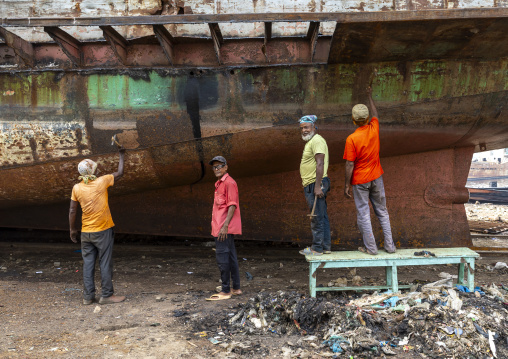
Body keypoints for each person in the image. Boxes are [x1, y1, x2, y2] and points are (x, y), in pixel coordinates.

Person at [69, 147, 126, 305]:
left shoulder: (77, 188)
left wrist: (73, 229)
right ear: (93, 170)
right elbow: (120, 173)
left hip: (86, 233)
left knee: (88, 264)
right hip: (102, 231)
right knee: (105, 262)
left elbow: (73, 210)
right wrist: (121, 155)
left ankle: (88, 297)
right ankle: (107, 295)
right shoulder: (102, 182)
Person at [343, 87, 396, 255]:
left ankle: (371, 248)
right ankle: (390, 246)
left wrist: (346, 184)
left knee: (364, 214)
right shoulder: (374, 128)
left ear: (353, 120)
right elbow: (376, 114)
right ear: (367, 119)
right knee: (382, 211)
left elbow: (349, 164)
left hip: (360, 181)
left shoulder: (351, 139)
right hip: (377, 177)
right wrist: (369, 96)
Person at [206, 156, 242, 301]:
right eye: (214, 167)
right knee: (231, 257)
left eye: (219, 166)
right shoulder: (220, 184)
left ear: (226, 167)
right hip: (221, 227)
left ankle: (226, 290)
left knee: (223, 259)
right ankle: (236, 288)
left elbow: (232, 205)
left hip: (223, 228)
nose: (217, 169)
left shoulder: (229, 183)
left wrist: (225, 226)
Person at [298, 115, 331, 256]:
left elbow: (320, 163)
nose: (304, 130)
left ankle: (317, 249)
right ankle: (325, 247)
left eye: (306, 127)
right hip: (313, 183)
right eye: (301, 128)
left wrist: (317, 186)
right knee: (321, 216)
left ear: (314, 126)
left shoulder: (317, 140)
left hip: (315, 183)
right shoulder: (312, 141)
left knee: (316, 216)